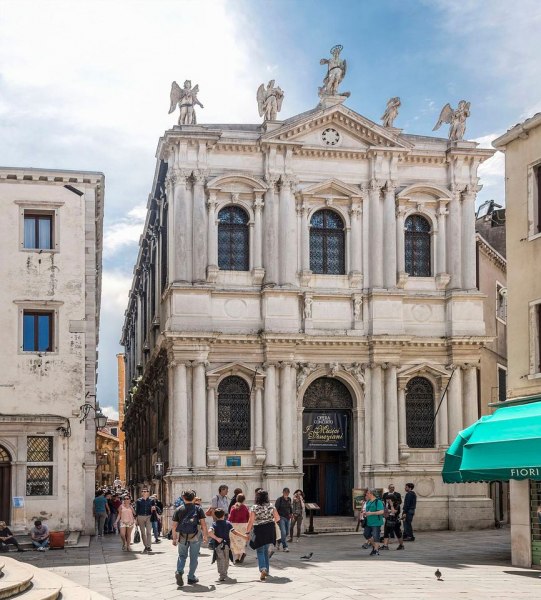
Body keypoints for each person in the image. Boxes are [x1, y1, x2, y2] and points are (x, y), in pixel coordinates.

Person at [172, 489, 208, 587]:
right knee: (194, 557)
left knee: (182, 556)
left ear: (183, 498)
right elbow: (203, 524)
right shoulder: (198, 509)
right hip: (195, 536)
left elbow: (174, 526)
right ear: (193, 498)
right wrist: (205, 536)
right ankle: (191, 577)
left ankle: (179, 571)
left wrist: (174, 538)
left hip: (182, 536)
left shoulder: (179, 509)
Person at [246, 489, 279, 581]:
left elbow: (251, 521)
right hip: (269, 529)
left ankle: (263, 568)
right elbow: (277, 518)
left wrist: (247, 532)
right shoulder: (271, 506)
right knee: (265, 550)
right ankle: (266, 570)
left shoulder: (254, 507)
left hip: (259, 529)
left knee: (260, 550)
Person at [208, 508, 246, 581]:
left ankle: (222, 575)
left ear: (215, 516)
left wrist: (216, 538)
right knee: (226, 559)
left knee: (220, 559)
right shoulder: (228, 523)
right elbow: (235, 532)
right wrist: (244, 536)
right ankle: (225, 573)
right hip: (227, 545)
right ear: (223, 515)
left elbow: (209, 532)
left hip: (218, 545)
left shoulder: (214, 524)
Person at [362, 489, 384, 556]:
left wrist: (371, 513)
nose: (366, 494)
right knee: (366, 534)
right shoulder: (368, 501)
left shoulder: (378, 501)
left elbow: (381, 511)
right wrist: (365, 513)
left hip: (376, 522)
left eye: (367, 493)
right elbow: (368, 510)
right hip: (368, 522)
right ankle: (375, 546)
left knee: (375, 536)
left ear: (372, 494)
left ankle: (376, 550)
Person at [229, 493, 249, 563]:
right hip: (244, 525)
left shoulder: (233, 507)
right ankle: (242, 553)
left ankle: (237, 557)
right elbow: (248, 517)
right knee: (242, 540)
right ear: (244, 500)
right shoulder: (245, 507)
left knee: (235, 541)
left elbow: (231, 518)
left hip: (235, 525)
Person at [135, 487, 156, 553]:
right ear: (141, 493)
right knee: (143, 532)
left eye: (145, 491)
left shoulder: (151, 500)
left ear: (148, 492)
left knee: (149, 532)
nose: (144, 492)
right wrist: (136, 519)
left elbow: (153, 508)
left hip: (149, 516)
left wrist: (153, 509)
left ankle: (149, 546)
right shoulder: (138, 500)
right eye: (143, 491)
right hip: (140, 516)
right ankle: (145, 546)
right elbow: (137, 510)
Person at [275, 487, 292, 552]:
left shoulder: (289, 499)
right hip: (281, 517)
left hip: (288, 518)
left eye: (287, 493)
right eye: (285, 492)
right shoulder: (279, 499)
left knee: (287, 532)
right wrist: (276, 518)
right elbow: (275, 509)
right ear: (283, 492)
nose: (286, 494)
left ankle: (279, 541)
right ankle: (285, 547)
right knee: (283, 532)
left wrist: (291, 513)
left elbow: (290, 507)